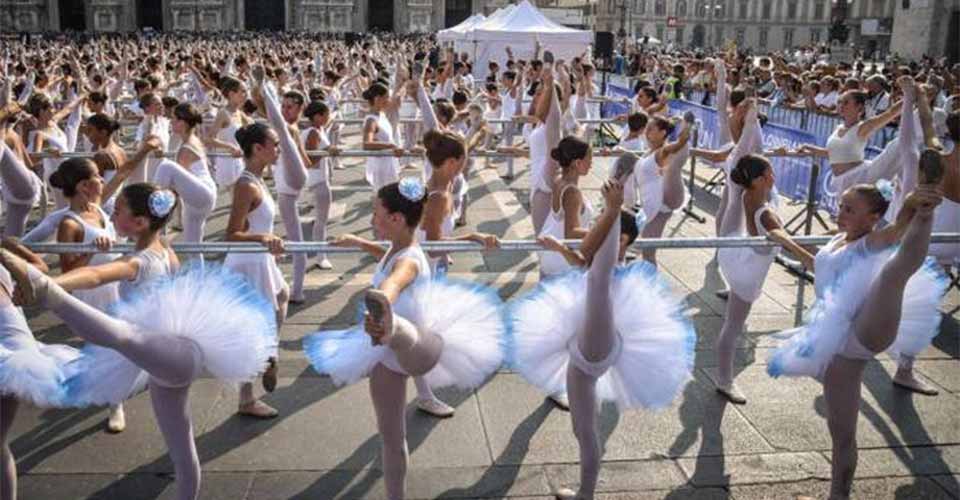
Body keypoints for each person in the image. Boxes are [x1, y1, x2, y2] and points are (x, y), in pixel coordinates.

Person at [0, 182, 277, 500]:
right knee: (182, 452)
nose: (111, 215)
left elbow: (96, 276)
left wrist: (53, 282)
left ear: (141, 222)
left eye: (117, 212)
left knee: (120, 335)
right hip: (167, 362)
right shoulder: (165, 250)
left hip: (169, 352)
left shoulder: (141, 260)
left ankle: (44, 289)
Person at [303, 178, 506, 500]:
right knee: (393, 439)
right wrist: (358, 242)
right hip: (408, 347)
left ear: (396, 219)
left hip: (392, 356)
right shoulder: (407, 247)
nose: (372, 219)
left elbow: (397, 278)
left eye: (376, 213)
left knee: (392, 439)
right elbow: (392, 257)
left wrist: (382, 297)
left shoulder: (407, 260)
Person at [768, 170, 947, 499]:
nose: (841, 212)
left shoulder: (871, 240)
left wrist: (911, 208)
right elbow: (818, 266)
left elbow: (895, 233)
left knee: (896, 271)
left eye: (850, 209)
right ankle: (840, 493)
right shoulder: (838, 239)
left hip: (865, 329)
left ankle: (928, 209)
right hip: (837, 338)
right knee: (841, 432)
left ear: (873, 217)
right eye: (841, 205)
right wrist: (785, 240)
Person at [515, 180, 694, 500]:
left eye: (601, 225)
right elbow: (584, 262)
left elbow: (599, 268)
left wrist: (613, 210)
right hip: (585, 350)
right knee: (581, 429)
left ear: (621, 238)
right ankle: (585, 491)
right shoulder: (603, 259)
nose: (591, 229)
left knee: (586, 432)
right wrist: (560, 248)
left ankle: (586, 495)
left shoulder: (611, 262)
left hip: (595, 345)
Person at [223, 122, 290, 419]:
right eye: (274, 144)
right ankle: (247, 397)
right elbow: (231, 234)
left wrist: (266, 240)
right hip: (247, 261)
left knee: (283, 296)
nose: (278, 148)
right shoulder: (246, 184)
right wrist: (262, 238)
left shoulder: (259, 180)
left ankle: (269, 354)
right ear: (258, 149)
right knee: (252, 327)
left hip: (260, 259)